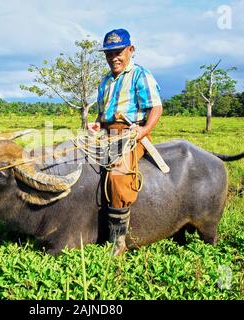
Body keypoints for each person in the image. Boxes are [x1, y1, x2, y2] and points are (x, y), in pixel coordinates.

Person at [89, 28, 163, 256]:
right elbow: (102, 115)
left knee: (119, 175)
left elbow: (156, 107)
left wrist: (142, 131)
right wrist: (96, 125)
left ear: (131, 50)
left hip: (131, 134)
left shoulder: (140, 75)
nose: (114, 57)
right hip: (107, 133)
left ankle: (118, 241)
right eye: (109, 53)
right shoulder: (105, 81)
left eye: (119, 51)